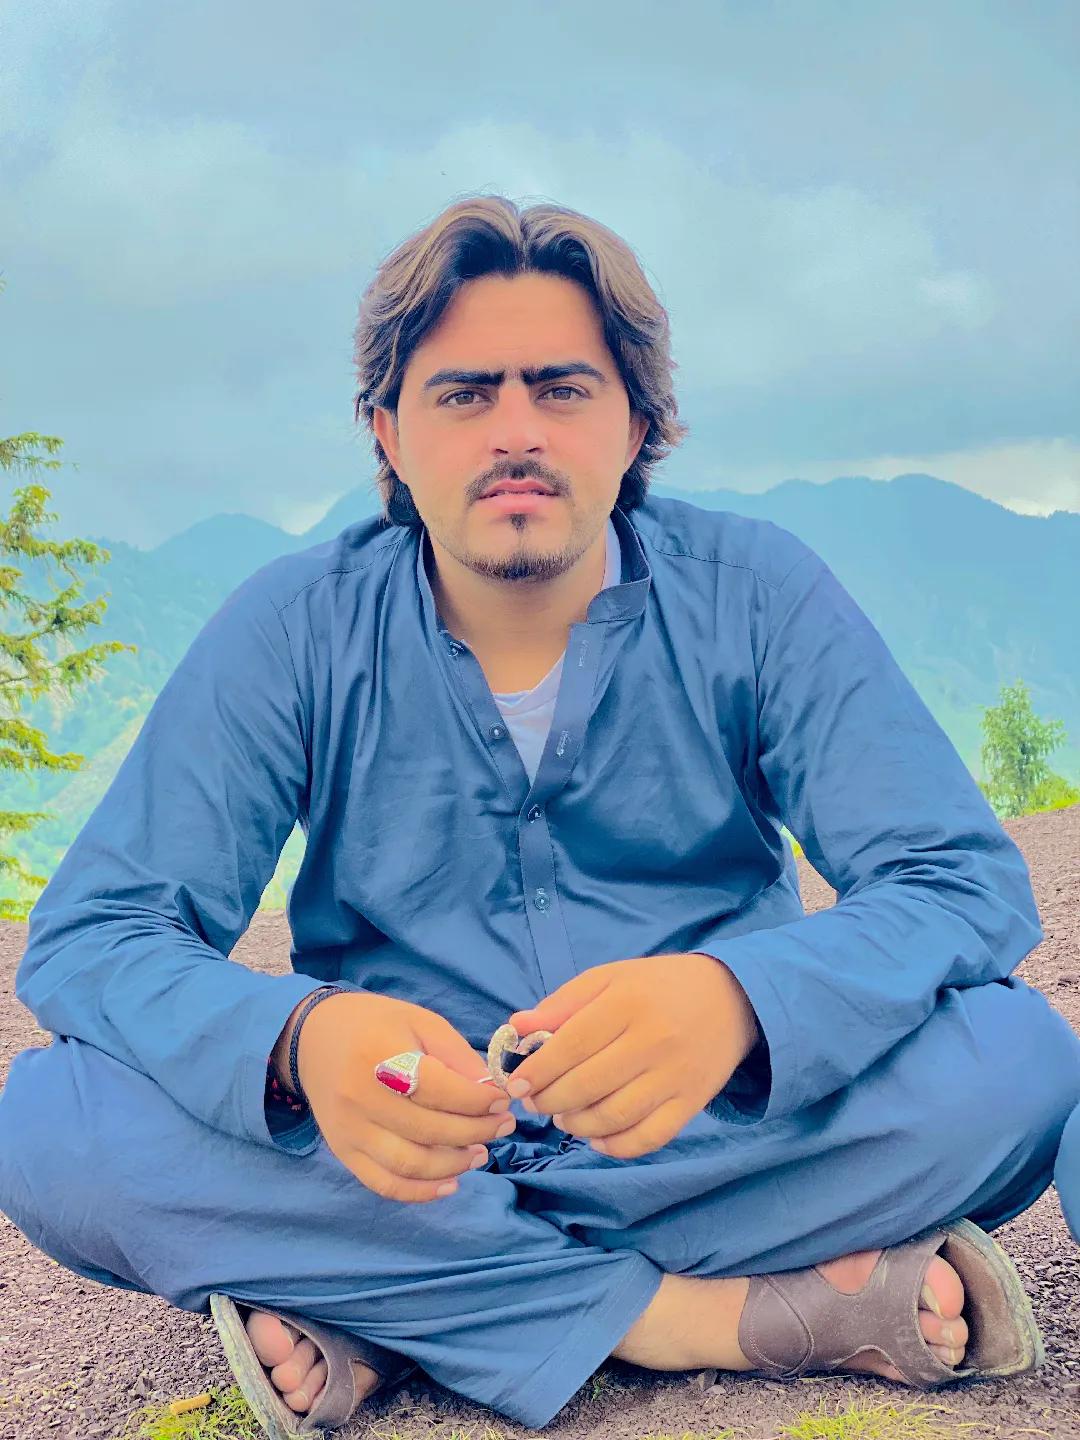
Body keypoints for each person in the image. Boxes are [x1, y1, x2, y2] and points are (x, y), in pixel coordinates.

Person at [1, 194, 1078, 1437]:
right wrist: (305, 1042)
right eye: (464, 394)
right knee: (51, 1125)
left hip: (709, 1132)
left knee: (1019, 1063)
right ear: (389, 433)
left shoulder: (759, 597)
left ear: (638, 423)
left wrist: (738, 1003)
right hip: (402, 1148)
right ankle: (691, 1318)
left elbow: (958, 881)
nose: (515, 431)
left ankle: (393, 1304)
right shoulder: (293, 631)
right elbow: (96, 936)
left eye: (562, 389)